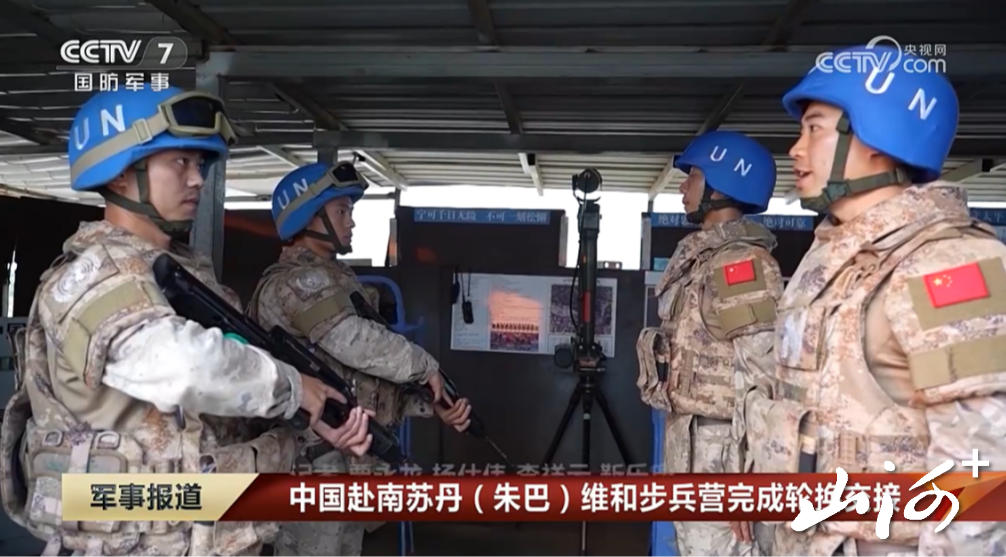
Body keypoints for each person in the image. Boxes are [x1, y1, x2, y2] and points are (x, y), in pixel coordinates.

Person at [0, 85, 372, 557]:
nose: (197, 179)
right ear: (120, 174)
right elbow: (183, 366)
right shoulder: (96, 275)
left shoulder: (181, 275)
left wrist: (306, 419)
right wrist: (295, 389)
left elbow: (214, 415)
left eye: (200, 164)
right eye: (179, 162)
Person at [745, 44, 1006, 556]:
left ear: (880, 138)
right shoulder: (830, 258)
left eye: (814, 129)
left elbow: (983, 465)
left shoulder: (950, 260)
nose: (795, 149)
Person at [248, 161, 474, 557]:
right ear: (308, 217)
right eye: (341, 211)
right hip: (312, 461)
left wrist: (429, 402)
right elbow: (354, 342)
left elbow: (357, 378)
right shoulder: (294, 282)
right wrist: (424, 366)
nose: (351, 221)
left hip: (348, 456)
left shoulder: (337, 278)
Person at [635, 129, 783, 557]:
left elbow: (764, 375)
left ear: (723, 186)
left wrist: (749, 479)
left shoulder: (741, 264)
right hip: (694, 449)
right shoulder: (705, 261)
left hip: (725, 458)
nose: (683, 187)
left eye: (694, 176)